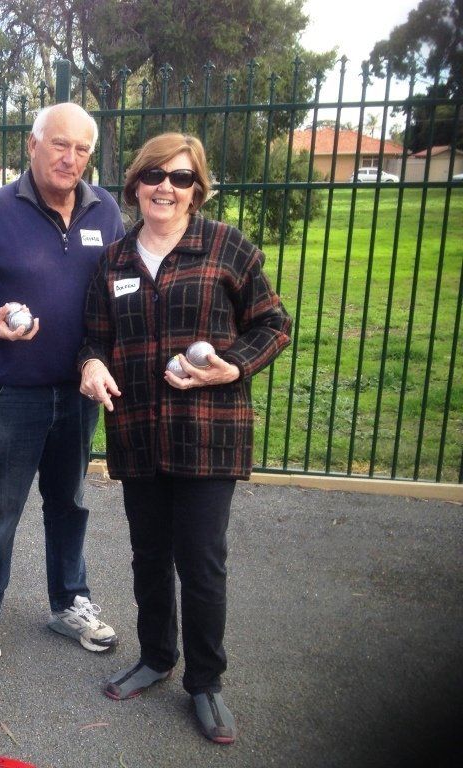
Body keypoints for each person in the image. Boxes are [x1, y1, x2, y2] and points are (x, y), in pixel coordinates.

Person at [78, 132, 291, 744]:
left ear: (197, 189)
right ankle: (155, 656)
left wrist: (234, 367)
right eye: (154, 175)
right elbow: (94, 337)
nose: (165, 187)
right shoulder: (114, 260)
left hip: (207, 433)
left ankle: (205, 680)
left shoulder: (226, 247)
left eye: (180, 178)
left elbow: (273, 323)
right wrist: (90, 364)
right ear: (135, 184)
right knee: (148, 555)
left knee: (200, 560)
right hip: (138, 431)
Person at [0, 102, 125, 661]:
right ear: (33, 145)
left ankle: (69, 603)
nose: (70, 158)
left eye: (82, 149)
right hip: (8, 392)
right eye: (59, 144)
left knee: (69, 503)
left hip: (77, 392)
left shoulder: (104, 211)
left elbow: (117, 292)